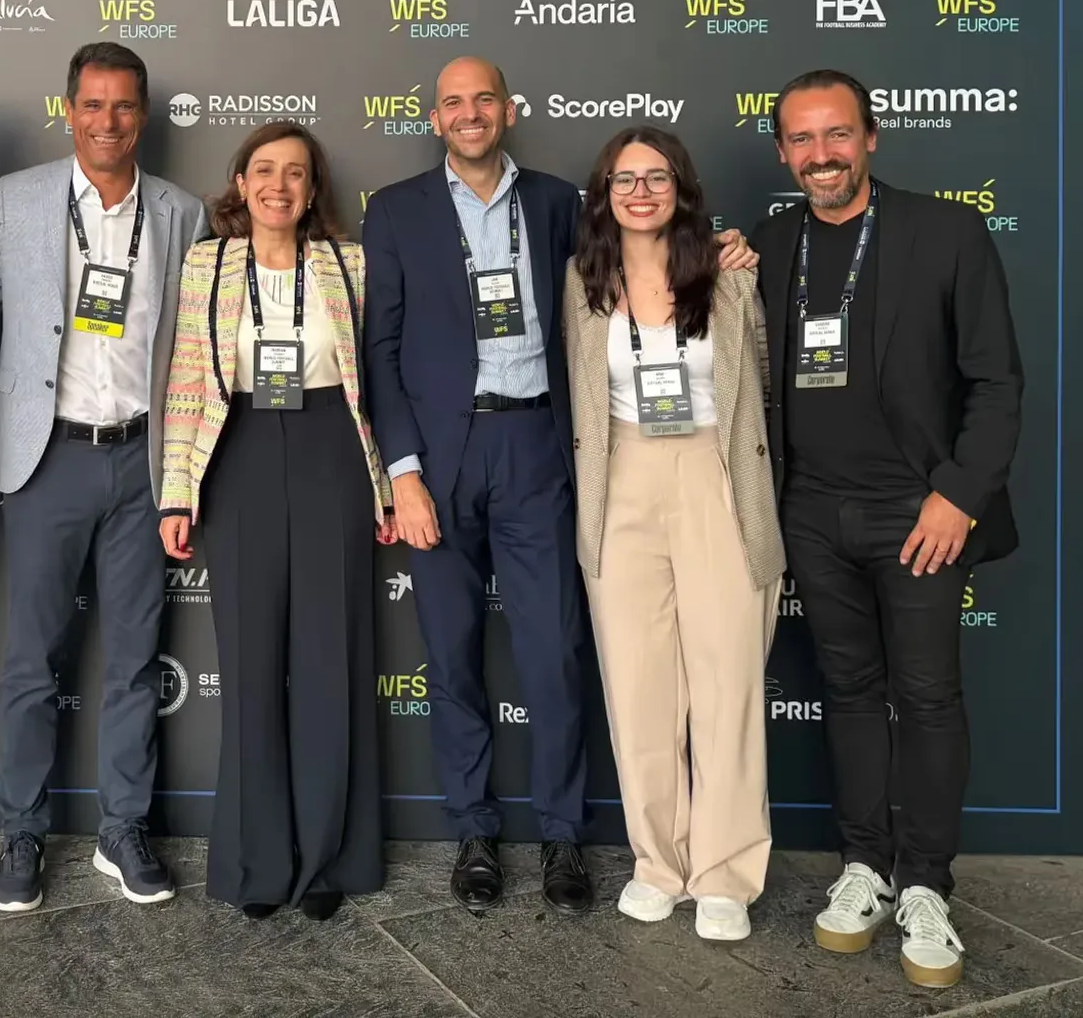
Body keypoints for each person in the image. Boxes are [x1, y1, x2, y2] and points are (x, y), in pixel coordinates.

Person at [364, 56, 760, 913]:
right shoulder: (395, 213)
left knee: (555, 658)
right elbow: (380, 355)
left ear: (508, 110)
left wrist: (727, 250)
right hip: (437, 461)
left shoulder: (556, 205)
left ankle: (562, 837)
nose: (469, 114)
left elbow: (640, 274)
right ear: (435, 118)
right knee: (453, 660)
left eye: (483, 100)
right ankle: (473, 829)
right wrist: (402, 475)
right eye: (452, 103)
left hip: (541, 449)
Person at [749, 69, 1022, 990]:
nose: (820, 155)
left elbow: (995, 381)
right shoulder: (769, 243)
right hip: (810, 516)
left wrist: (960, 494)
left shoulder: (946, 231)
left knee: (930, 697)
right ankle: (865, 867)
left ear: (871, 137)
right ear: (782, 150)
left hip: (921, 516)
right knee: (850, 692)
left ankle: (928, 884)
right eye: (801, 140)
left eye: (836, 135)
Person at [0, 41, 207, 913]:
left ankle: (123, 829)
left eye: (123, 107)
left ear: (141, 116)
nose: (106, 122)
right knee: (32, 661)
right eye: (92, 105)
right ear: (68, 109)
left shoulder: (181, 212)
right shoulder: (22, 198)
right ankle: (21, 835)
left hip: (142, 461)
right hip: (46, 460)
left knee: (133, 661)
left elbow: (192, 347)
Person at [158, 123, 394, 923]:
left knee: (331, 661)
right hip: (238, 455)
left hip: (332, 453)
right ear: (240, 181)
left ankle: (329, 855)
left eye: (296, 173)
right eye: (264, 170)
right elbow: (188, 376)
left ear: (313, 186)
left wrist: (387, 487)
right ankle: (259, 856)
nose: (279, 185)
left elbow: (379, 381)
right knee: (251, 664)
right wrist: (176, 495)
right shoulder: (208, 264)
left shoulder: (350, 264)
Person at [561, 127, 784, 944]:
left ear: (682, 188)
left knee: (727, 682)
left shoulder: (728, 277)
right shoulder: (582, 281)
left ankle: (725, 871)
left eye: (657, 177)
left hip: (715, 479)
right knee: (637, 685)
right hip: (619, 487)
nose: (641, 191)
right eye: (625, 178)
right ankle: (660, 862)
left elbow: (765, 384)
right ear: (605, 192)